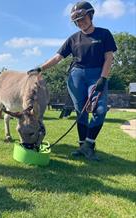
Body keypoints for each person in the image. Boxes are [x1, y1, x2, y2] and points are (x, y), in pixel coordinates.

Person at [28, 1, 117, 161]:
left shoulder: (104, 34)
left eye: (83, 19)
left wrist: (103, 78)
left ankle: (89, 144)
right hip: (76, 76)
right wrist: (40, 68)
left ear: (90, 16)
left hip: (97, 74)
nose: (80, 23)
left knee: (100, 110)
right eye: (77, 22)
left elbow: (109, 57)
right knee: (81, 112)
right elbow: (58, 57)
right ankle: (83, 146)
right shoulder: (73, 39)